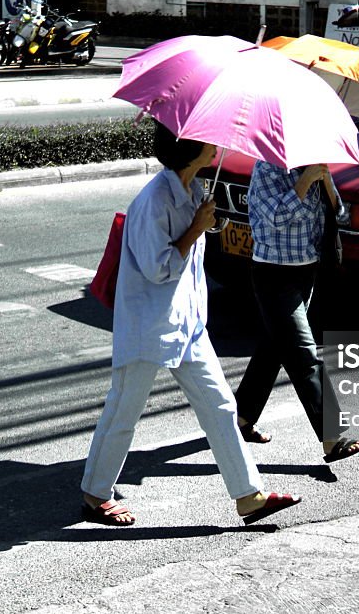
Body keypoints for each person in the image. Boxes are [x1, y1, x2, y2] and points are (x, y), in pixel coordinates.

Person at [80, 121, 302, 527]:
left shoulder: (193, 188)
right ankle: (95, 494)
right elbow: (157, 266)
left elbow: (188, 251)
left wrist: (205, 222)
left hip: (188, 321)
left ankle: (248, 495)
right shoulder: (154, 200)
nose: (216, 143)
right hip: (149, 324)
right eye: (208, 140)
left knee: (220, 405)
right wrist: (196, 228)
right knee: (124, 411)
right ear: (190, 149)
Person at [235, 161, 359, 463]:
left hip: (306, 270)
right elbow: (276, 217)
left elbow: (339, 213)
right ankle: (332, 437)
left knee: (275, 347)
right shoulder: (267, 169)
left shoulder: (315, 167)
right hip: (273, 273)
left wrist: (325, 184)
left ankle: (240, 418)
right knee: (303, 353)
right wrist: (305, 181)